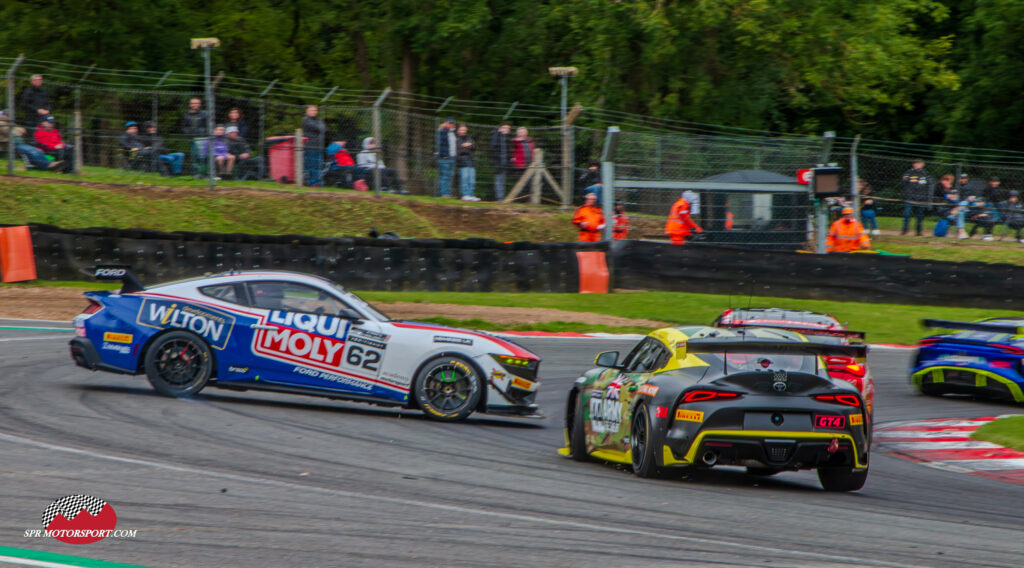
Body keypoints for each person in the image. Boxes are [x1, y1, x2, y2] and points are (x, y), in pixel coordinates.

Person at [900, 158, 931, 236]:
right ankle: (905, 230)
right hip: (910, 197)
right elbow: (904, 182)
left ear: (923, 165)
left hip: (921, 197)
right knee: (907, 214)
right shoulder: (909, 172)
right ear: (913, 164)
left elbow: (928, 184)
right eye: (916, 163)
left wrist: (925, 195)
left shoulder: (925, 173)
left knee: (920, 216)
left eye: (919, 163)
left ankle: (919, 231)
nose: (917, 165)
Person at [301, 105, 326, 187]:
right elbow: (317, 128)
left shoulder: (318, 120)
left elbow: (324, 128)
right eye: (311, 110)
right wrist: (319, 128)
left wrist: (319, 128)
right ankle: (311, 182)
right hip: (310, 146)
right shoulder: (306, 120)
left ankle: (317, 182)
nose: (314, 112)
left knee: (318, 165)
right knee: (311, 165)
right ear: (307, 111)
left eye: (315, 110)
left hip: (318, 146)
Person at [454, 123, 479, 201]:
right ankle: (465, 195)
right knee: (464, 179)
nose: (463, 131)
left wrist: (466, 145)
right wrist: (465, 146)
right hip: (462, 162)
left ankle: (471, 195)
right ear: (458, 131)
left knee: (471, 179)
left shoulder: (468, 138)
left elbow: (474, 146)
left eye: (464, 130)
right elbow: (458, 150)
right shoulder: (457, 139)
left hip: (470, 161)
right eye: (461, 130)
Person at [489, 122, 512, 200]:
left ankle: (502, 198)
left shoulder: (507, 138)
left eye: (508, 128)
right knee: (498, 181)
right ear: (500, 128)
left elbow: (508, 151)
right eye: (505, 128)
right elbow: (492, 147)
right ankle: (500, 199)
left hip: (505, 164)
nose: (507, 130)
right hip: (498, 163)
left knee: (503, 182)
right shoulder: (496, 136)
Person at [435, 117, 457, 197]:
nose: (450, 125)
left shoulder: (453, 133)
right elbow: (440, 144)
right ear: (446, 123)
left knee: (449, 176)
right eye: (449, 123)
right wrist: (444, 154)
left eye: (452, 123)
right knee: (444, 176)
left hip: (452, 157)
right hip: (445, 157)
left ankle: (445, 193)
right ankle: (444, 194)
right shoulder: (442, 132)